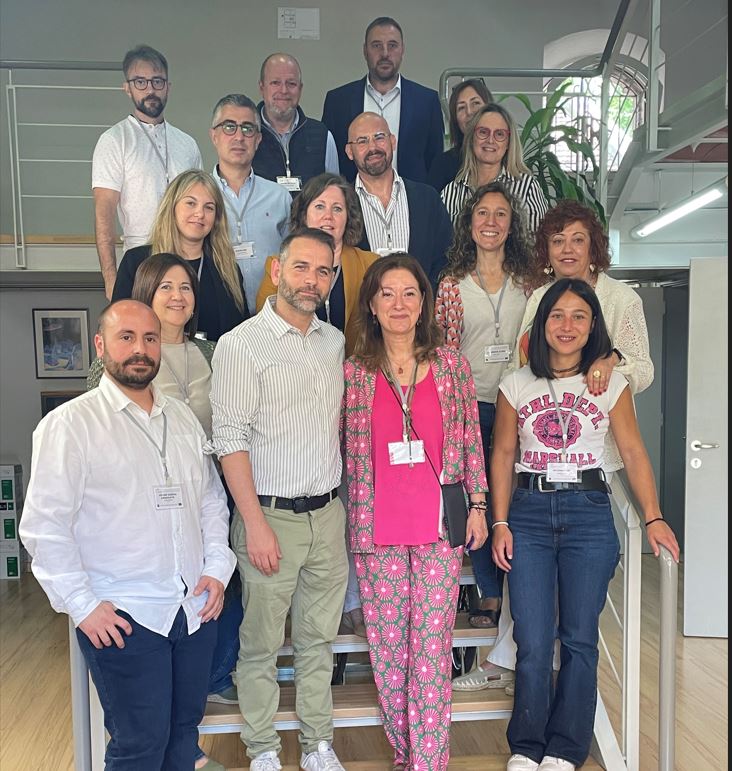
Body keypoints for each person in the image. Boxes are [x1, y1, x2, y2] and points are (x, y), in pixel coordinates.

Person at [19, 299, 236, 770]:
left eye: (150, 338)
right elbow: (44, 526)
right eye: (127, 337)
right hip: (124, 615)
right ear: (100, 346)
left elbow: (210, 501)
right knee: (139, 744)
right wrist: (82, 605)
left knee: (183, 738)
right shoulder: (70, 425)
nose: (140, 349)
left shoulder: (181, 418)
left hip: (192, 611)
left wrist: (218, 569)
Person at [490, 278, 679, 771]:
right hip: (529, 512)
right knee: (533, 639)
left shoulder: (610, 384)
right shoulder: (516, 384)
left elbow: (633, 451)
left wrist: (654, 516)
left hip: (588, 512)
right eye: (557, 315)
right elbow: (504, 454)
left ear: (593, 325)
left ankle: (565, 748)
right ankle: (526, 746)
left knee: (579, 638)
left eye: (579, 316)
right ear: (541, 325)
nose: (567, 325)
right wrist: (500, 521)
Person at [474, 198, 656, 695]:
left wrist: (608, 360)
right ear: (547, 251)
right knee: (528, 590)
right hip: (538, 458)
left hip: (594, 458)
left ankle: (544, 676)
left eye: (578, 239)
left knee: (578, 614)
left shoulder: (621, 298)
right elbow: (527, 360)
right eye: (558, 241)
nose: (568, 249)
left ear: (595, 246)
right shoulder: (539, 297)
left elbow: (642, 367)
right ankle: (514, 660)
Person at [342, 253, 489, 771]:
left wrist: (478, 504)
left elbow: (471, 441)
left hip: (437, 529)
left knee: (429, 654)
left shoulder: (451, 367)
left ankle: (429, 762)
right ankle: (406, 755)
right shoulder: (354, 373)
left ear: (424, 303)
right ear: (372, 304)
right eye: (387, 293)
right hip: (375, 531)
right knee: (388, 658)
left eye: (409, 293)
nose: (399, 304)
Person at [209, 228, 349, 771]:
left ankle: (317, 745)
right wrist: (254, 524)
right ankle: (263, 748)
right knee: (262, 644)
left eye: (323, 271)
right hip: (268, 516)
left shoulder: (333, 342)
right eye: (301, 267)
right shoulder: (241, 344)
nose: (312, 280)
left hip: (327, 515)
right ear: (276, 270)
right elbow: (230, 439)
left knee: (318, 640)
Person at [434, 182, 532, 660]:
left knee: (512, 498)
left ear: (512, 225)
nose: (491, 222)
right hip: (467, 405)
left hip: (518, 402)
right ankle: (489, 592)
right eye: (482, 214)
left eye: (500, 214)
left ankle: (518, 588)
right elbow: (442, 348)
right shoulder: (452, 285)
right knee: (476, 497)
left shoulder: (529, 282)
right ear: (469, 224)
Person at [92, 45, 202, 299]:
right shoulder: (115, 140)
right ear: (127, 87)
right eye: (140, 82)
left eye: (157, 81)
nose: (150, 89)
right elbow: (104, 212)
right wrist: (111, 278)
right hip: (141, 259)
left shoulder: (187, 143)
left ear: (168, 87)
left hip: (186, 260)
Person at [112, 169, 248, 342]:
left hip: (216, 359)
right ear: (172, 207)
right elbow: (119, 330)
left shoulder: (228, 270)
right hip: (153, 359)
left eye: (209, 207)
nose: (200, 214)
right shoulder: (136, 262)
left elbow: (240, 335)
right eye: (191, 203)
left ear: (217, 218)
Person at [256, 172, 379, 356]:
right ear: (304, 214)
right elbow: (265, 328)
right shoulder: (279, 265)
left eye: (337, 209)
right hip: (294, 364)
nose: (328, 216)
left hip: (356, 367)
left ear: (348, 217)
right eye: (320, 206)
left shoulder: (370, 265)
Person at [322, 16, 444, 184]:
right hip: (353, 198)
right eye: (376, 45)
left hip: (411, 198)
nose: (385, 53)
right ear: (365, 51)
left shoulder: (427, 102)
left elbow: (435, 163)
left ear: (402, 50)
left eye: (392, 45)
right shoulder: (338, 102)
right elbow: (331, 160)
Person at [346, 112, 453, 289]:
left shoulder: (427, 199)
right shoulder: (341, 204)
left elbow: (446, 258)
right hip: (361, 306)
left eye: (379, 137)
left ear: (393, 141)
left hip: (422, 304)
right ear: (350, 152)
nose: (373, 147)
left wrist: (422, 298)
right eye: (362, 141)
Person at [209, 93, 291, 315]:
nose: (239, 137)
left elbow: (292, 259)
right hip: (218, 315)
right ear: (214, 136)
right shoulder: (200, 198)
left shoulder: (279, 196)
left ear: (258, 139)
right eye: (229, 127)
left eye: (247, 128)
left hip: (272, 315)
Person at [441, 104, 548, 234]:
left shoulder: (528, 188)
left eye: (499, 134)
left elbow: (539, 242)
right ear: (472, 138)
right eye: (483, 132)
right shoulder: (450, 192)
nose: (490, 140)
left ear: (508, 143)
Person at [253, 53, 340, 194]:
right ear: (262, 88)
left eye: (291, 83)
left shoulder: (323, 136)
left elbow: (334, 193)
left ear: (300, 89)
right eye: (275, 83)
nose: (284, 90)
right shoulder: (248, 135)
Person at [427, 78, 493, 193]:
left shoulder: (506, 158)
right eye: (461, 107)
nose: (469, 112)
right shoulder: (442, 164)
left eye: (475, 103)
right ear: (455, 120)